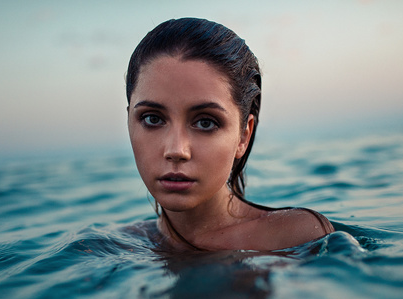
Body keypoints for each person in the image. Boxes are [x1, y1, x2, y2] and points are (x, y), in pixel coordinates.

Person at [126, 18, 333, 251]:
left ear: (243, 136)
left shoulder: (296, 236)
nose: (176, 150)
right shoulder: (115, 247)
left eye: (205, 123)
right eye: (152, 119)